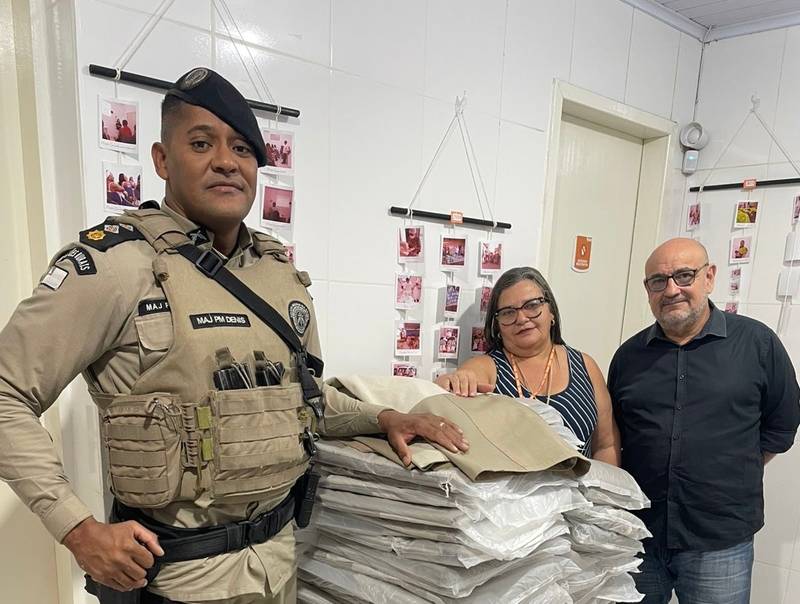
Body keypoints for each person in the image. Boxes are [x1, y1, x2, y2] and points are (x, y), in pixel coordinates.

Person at [0, 67, 468, 604]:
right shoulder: (116, 266)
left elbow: (302, 400)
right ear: (162, 160)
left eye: (242, 149)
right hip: (176, 579)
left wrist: (383, 417)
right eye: (202, 143)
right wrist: (77, 530)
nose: (226, 161)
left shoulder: (279, 275)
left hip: (279, 563)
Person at [608, 237, 800, 604]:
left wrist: (732, 466)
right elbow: (615, 435)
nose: (671, 290)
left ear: (709, 277)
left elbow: (781, 425)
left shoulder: (757, 343)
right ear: (647, 290)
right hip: (639, 534)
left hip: (719, 540)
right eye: (658, 281)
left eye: (684, 276)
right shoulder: (629, 356)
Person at [434, 266, 620, 463]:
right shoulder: (486, 368)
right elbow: (444, 399)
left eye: (532, 305)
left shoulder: (585, 366)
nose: (521, 319)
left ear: (551, 312)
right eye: (508, 312)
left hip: (584, 482)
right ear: (497, 325)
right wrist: (451, 383)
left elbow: (606, 445)